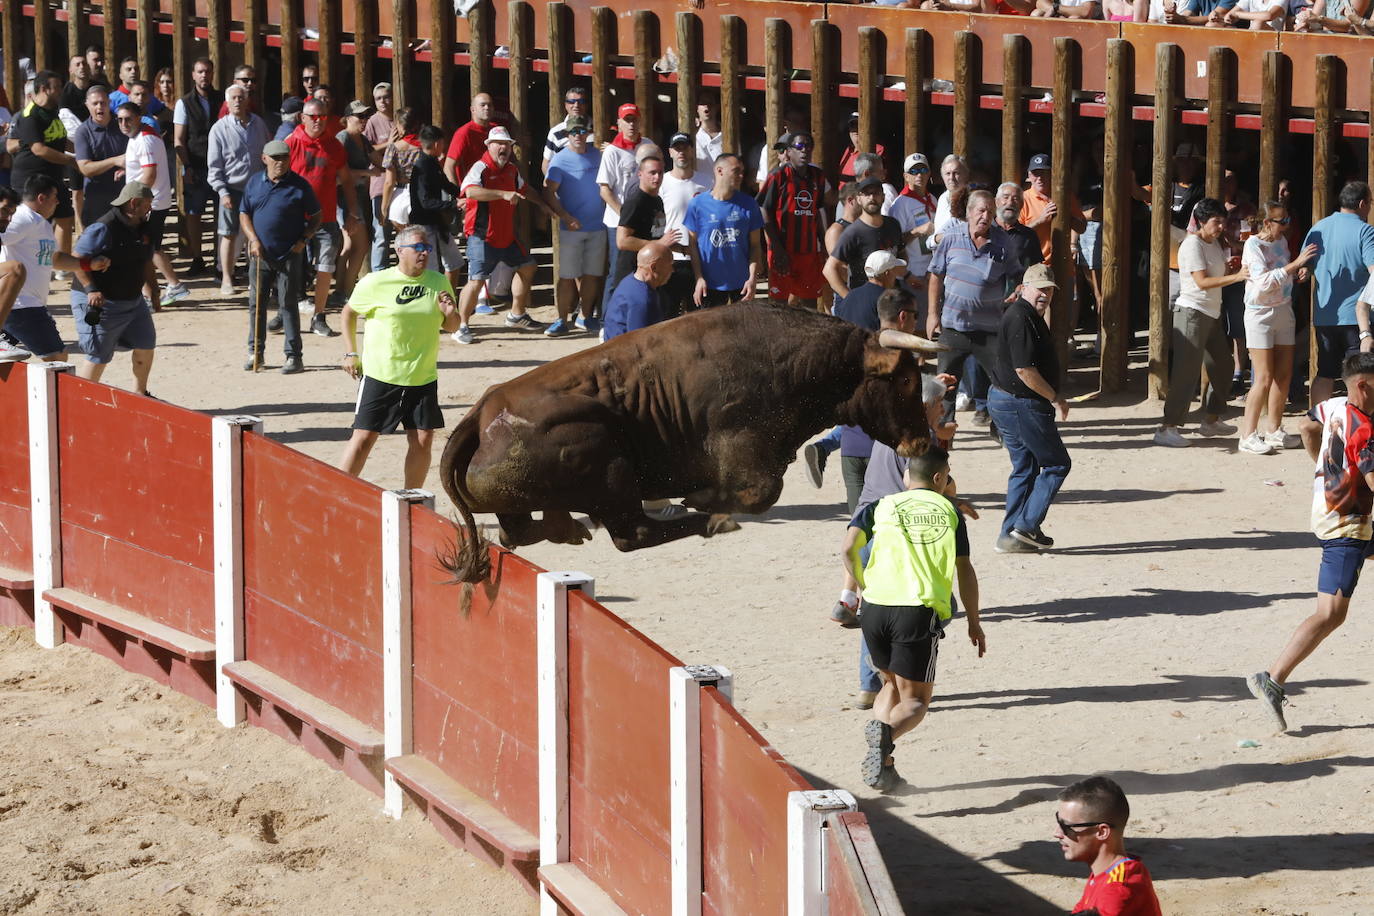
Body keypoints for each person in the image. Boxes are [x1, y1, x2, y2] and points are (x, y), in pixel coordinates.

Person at [843, 446, 984, 792]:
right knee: (916, 702)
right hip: (916, 612)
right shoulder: (950, 511)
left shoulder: (880, 506)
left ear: (907, 476)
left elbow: (847, 550)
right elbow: (964, 569)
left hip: (874, 609)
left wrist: (863, 585)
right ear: (940, 479)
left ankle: (885, 765)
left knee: (890, 684)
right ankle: (885, 738)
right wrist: (973, 621)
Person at [1247, 352, 1374, 732]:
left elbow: (1306, 427)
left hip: (1331, 511)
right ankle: (1272, 678)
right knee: (1330, 614)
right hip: (1346, 526)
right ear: (1364, 386)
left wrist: (1323, 469)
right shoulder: (1365, 430)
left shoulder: (1333, 403)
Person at [337, 225, 461, 489]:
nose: (424, 253)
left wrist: (450, 313)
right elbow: (349, 312)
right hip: (382, 374)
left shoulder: (438, 281)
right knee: (364, 438)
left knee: (423, 439)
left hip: (422, 375)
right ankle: (338, 491)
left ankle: (410, 498)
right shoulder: (375, 282)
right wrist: (351, 352)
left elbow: (452, 327)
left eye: (426, 248)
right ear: (399, 250)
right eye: (417, 248)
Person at [986, 264, 1071, 554]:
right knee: (1057, 463)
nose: (1045, 294)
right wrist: (1055, 397)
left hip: (1007, 400)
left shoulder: (1028, 315)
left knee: (1026, 466)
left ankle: (1010, 535)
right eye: (1039, 288)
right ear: (1023, 288)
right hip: (1020, 403)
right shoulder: (1021, 318)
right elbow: (1024, 370)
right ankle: (1026, 526)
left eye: (1049, 289)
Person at [1154, 197, 1249, 447]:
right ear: (1202, 222)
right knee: (1186, 373)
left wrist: (1229, 269)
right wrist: (1236, 277)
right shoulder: (1192, 244)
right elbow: (1202, 282)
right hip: (1192, 314)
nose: (1221, 227)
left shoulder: (1215, 244)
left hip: (1211, 314)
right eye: (1216, 222)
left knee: (1224, 366)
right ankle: (1167, 427)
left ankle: (1211, 419)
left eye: (1222, 222)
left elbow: (1216, 276)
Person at [454, 126, 557, 343]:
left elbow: (525, 189)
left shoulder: (511, 169)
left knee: (528, 266)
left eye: (507, 144)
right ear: (489, 146)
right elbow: (470, 191)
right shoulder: (480, 168)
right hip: (482, 235)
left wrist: (543, 205)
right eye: (499, 144)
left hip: (506, 235)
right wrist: (502, 194)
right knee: (476, 280)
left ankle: (516, 314)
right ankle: (461, 325)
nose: (503, 148)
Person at [928, 190, 1015, 424]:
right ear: (969, 213)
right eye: (981, 210)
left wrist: (1013, 295)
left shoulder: (1003, 242)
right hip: (953, 327)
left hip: (989, 330)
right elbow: (936, 275)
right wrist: (932, 314)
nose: (985, 216)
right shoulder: (950, 238)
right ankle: (943, 436)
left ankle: (1002, 430)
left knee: (1002, 382)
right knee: (944, 386)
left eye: (990, 211)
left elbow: (1016, 275)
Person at [1238, 202, 1318, 455]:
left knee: (1283, 375)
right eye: (1281, 221)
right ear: (1266, 223)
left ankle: (1273, 430)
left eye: (1287, 220)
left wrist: (1298, 273)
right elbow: (1262, 282)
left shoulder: (1281, 242)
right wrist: (1295, 265)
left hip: (1284, 310)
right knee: (1262, 377)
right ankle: (1247, 435)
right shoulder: (1253, 245)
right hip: (1259, 314)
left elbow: (1280, 275)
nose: (1287, 225)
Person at [0, 178, 107, 361]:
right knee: (57, 359)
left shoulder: (40, 223)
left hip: (26, 304)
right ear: (42, 198)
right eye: (55, 197)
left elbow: (54, 259)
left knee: (16, 364)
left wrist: (88, 264)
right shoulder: (23, 218)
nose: (58, 202)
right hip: (21, 305)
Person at [239, 140, 323, 373]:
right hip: (260, 254)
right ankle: (255, 353)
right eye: (276, 158)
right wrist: (253, 240)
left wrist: (303, 240)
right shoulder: (254, 183)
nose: (280, 162)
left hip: (289, 254)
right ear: (264, 158)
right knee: (257, 304)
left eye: (285, 158)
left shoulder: (300, 186)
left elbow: (316, 216)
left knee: (288, 304)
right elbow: (244, 213)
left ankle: (294, 356)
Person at [69, 181, 159, 393]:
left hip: (133, 299)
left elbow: (146, 261)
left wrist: (153, 289)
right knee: (98, 355)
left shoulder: (144, 228)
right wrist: (91, 289)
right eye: (147, 204)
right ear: (134, 203)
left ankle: (141, 394)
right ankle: (82, 400)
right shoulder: (103, 227)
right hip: (103, 302)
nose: (150, 208)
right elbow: (76, 260)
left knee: (146, 345)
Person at [287, 97, 362, 337]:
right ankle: (285, 312)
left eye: (322, 117)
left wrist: (352, 212)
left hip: (326, 218)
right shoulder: (290, 143)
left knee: (326, 267)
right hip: (295, 218)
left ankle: (319, 316)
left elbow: (347, 181)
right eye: (313, 117)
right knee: (290, 267)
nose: (318, 122)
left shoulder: (334, 146)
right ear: (303, 118)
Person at [1304, 181, 1374, 408]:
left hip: (1325, 314)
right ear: (1362, 203)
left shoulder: (1318, 228)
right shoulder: (1365, 231)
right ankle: (1357, 428)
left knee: (1324, 372)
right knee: (1360, 376)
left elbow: (1305, 268)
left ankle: (1316, 422)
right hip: (1357, 318)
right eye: (1370, 203)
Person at [1055, 777, 1162, 916]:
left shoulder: (1119, 886)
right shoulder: (1106, 873)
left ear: (1101, 831)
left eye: (1066, 826)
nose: (1057, 833)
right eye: (1058, 821)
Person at [544, 115, 606, 335]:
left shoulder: (598, 155)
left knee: (592, 274)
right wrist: (565, 216)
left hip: (598, 226)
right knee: (567, 276)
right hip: (571, 228)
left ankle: (585, 316)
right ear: (567, 135)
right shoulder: (559, 159)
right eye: (573, 132)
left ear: (588, 132)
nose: (578, 136)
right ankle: (561, 319)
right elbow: (548, 192)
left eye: (581, 131)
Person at [206, 84, 270, 297]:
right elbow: (214, 166)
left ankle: (255, 278)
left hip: (256, 188)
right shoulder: (218, 129)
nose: (237, 101)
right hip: (231, 189)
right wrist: (222, 192)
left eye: (241, 97)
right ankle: (226, 277)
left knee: (256, 235)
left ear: (247, 99)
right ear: (227, 101)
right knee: (228, 234)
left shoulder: (258, 124)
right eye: (233, 98)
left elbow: (267, 154)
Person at [759, 130, 830, 310]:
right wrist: (776, 247)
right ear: (789, 152)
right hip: (782, 250)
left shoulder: (818, 176)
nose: (804, 150)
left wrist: (824, 246)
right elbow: (763, 209)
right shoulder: (778, 175)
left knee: (810, 304)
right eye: (799, 146)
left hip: (809, 251)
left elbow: (818, 211)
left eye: (808, 146)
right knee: (779, 305)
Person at [684, 154, 764, 308]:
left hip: (742, 284)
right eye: (736, 171)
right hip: (709, 285)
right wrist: (699, 278)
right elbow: (693, 245)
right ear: (719, 171)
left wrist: (753, 278)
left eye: (742, 171)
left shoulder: (749, 204)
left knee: (741, 330)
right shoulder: (697, 205)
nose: (741, 176)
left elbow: (755, 245)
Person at [10, 71, 76, 254]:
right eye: (58, 87)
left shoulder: (52, 112)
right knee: (29, 224)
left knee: (65, 216)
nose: (61, 91)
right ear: (45, 89)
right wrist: (71, 161)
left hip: (52, 177)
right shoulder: (30, 114)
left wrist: (86, 152)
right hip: (29, 179)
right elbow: (38, 149)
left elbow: (61, 140)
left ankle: (61, 263)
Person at [597, 103, 653, 308]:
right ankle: (607, 319)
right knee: (617, 271)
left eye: (634, 119)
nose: (631, 124)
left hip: (645, 220)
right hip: (617, 222)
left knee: (644, 267)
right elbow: (605, 190)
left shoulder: (648, 145)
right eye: (627, 120)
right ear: (619, 123)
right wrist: (624, 215)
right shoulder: (612, 151)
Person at [172, 57, 221, 274]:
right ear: (193, 75)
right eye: (200, 72)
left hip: (220, 165)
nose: (204, 75)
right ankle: (197, 257)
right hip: (196, 164)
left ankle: (220, 260)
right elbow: (179, 140)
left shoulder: (221, 99)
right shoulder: (184, 103)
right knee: (194, 213)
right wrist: (187, 167)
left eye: (207, 71)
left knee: (222, 213)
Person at [405, 125, 464, 291]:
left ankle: (449, 298)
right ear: (437, 143)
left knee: (454, 262)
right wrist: (453, 204)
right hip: (423, 225)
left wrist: (465, 193)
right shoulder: (423, 166)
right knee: (429, 269)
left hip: (437, 222)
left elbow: (445, 184)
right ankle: (431, 304)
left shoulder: (432, 163)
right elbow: (425, 202)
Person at [825, 177, 904, 301]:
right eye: (867, 194)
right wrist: (850, 299)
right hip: (865, 300)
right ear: (859, 199)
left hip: (892, 299)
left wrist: (907, 275)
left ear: (883, 197)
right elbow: (829, 269)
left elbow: (902, 253)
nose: (872, 198)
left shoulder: (893, 224)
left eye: (876, 193)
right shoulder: (852, 232)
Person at [658, 131, 708, 318]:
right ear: (670, 152)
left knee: (698, 316)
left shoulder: (706, 182)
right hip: (671, 258)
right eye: (676, 148)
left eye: (685, 148)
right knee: (669, 315)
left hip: (701, 258)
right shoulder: (661, 182)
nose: (681, 152)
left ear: (692, 151)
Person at [336, 100, 381, 302]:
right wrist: (367, 172)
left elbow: (379, 161)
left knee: (350, 246)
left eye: (366, 116)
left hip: (359, 196)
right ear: (347, 119)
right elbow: (338, 172)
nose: (364, 120)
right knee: (360, 245)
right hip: (345, 197)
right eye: (360, 116)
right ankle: (346, 292)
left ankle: (341, 290)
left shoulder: (362, 140)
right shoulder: (342, 138)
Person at [72, 85, 126, 228]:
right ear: (87, 105)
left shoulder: (123, 124)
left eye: (103, 103)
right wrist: (115, 161)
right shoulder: (83, 132)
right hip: (96, 199)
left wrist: (127, 168)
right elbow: (85, 168)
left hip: (124, 196)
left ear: (109, 103)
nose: (99, 107)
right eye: (95, 103)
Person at [888, 153, 937, 295]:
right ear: (906, 176)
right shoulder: (900, 204)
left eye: (923, 170)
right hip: (913, 274)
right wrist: (916, 231)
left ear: (929, 174)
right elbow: (895, 242)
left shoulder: (932, 199)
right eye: (914, 171)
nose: (919, 175)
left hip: (931, 271)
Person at [604, 241, 673, 341]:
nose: (672, 270)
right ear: (653, 267)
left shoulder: (629, 280)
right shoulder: (642, 299)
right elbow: (641, 344)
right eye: (670, 264)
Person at [363, 82, 396, 271]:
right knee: (381, 233)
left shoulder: (399, 118)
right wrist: (389, 143)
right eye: (378, 98)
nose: (383, 101)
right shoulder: (372, 122)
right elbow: (366, 150)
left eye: (386, 96)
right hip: (380, 184)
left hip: (401, 184)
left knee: (403, 232)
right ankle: (378, 273)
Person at [442, 92, 495, 188]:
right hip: (471, 191)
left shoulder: (495, 130)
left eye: (489, 105)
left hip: (491, 190)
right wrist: (457, 195)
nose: (487, 108)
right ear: (473, 109)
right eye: (482, 105)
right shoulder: (464, 133)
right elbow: (448, 167)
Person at [542, 85, 590, 174]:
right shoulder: (555, 132)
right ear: (566, 105)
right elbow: (547, 164)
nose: (576, 105)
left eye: (581, 101)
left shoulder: (598, 130)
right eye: (572, 102)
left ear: (586, 105)